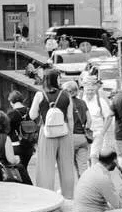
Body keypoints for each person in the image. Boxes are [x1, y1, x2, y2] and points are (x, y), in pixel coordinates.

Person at [31, 69, 85, 200]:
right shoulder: (66, 94)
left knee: (45, 167)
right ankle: (68, 197)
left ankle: (46, 197)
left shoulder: (40, 94)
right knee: (66, 167)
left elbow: (32, 115)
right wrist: (70, 134)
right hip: (64, 132)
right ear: (55, 79)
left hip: (47, 133)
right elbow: (70, 117)